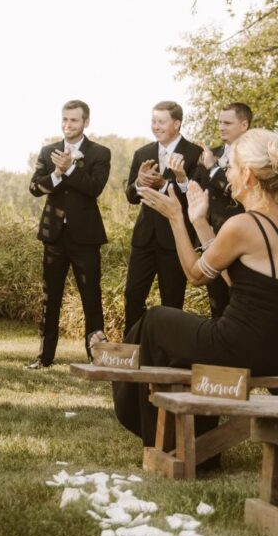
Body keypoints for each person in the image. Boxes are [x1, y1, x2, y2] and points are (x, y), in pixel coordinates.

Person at [112, 128, 278, 446]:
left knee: (155, 320)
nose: (226, 173)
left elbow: (195, 274)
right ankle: (198, 444)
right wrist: (200, 222)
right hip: (273, 349)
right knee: (178, 354)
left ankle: (149, 428)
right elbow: (233, 279)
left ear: (249, 176)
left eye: (231, 167)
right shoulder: (262, 224)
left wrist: (177, 218)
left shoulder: (243, 225)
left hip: (238, 345)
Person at [26, 100, 111, 368]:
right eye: (64, 119)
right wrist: (57, 173)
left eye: (73, 120)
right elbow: (35, 188)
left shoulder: (100, 153)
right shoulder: (48, 150)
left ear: (85, 122)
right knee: (50, 296)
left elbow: (94, 188)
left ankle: (95, 356)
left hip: (85, 237)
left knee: (91, 296)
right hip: (53, 236)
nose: (67, 125)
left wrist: (71, 169)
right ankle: (44, 357)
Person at [123, 101, 203, 334]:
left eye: (161, 121)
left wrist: (166, 184)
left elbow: (195, 197)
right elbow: (130, 196)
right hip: (144, 239)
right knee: (132, 294)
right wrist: (139, 183)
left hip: (175, 240)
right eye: (153, 121)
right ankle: (132, 350)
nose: (155, 126)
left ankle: (168, 356)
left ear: (177, 124)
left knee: (172, 301)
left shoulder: (194, 153)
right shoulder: (143, 153)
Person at [195, 102, 253, 318]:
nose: (221, 127)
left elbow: (241, 192)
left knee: (243, 304)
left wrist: (213, 168)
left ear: (244, 124)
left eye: (227, 122)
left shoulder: (253, 156)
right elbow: (197, 189)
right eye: (220, 122)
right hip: (211, 240)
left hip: (244, 240)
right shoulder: (212, 153)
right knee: (217, 305)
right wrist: (183, 179)